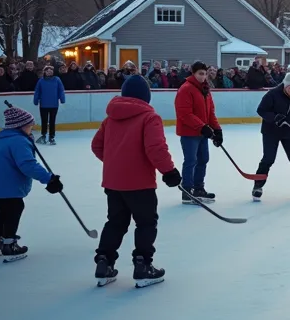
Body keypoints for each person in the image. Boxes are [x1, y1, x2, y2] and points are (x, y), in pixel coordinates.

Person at [90, 75, 179, 288]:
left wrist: (116, 163)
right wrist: (169, 171)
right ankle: (143, 266)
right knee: (146, 223)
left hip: (113, 182)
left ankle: (104, 262)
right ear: (146, 96)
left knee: (115, 222)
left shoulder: (110, 118)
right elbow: (155, 149)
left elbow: (97, 146)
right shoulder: (149, 117)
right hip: (140, 183)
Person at [0, 106, 61, 262]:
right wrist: (49, 178)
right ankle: (9, 244)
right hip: (8, 186)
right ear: (21, 126)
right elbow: (28, 165)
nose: (31, 129)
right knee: (14, 209)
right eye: (30, 126)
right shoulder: (18, 141)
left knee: (3, 211)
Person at [253, 71, 290, 201]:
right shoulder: (272, 94)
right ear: (285, 86)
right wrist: (274, 117)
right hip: (270, 132)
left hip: (289, 133)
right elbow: (261, 110)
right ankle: (257, 186)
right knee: (268, 159)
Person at [174, 61, 221, 204]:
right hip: (189, 133)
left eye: (205, 74)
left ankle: (198, 188)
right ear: (193, 73)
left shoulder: (205, 89)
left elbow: (210, 112)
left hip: (202, 133)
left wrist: (217, 129)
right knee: (191, 161)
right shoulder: (186, 89)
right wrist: (202, 127)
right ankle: (187, 191)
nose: (203, 77)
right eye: (200, 74)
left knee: (203, 159)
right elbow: (184, 114)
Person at [32, 65, 66, 145]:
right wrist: (36, 100)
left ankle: (51, 136)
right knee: (44, 120)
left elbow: (61, 90)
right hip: (43, 104)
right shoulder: (41, 81)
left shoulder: (57, 80)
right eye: (47, 70)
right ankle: (43, 135)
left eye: (51, 70)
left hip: (54, 105)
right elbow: (37, 91)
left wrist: (62, 99)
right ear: (45, 72)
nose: (49, 72)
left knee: (52, 121)